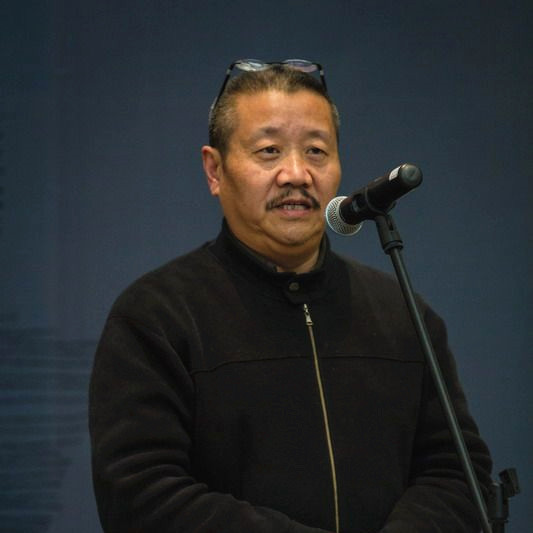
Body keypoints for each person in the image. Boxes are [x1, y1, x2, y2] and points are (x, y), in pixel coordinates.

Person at [89, 60, 492, 533]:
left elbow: (458, 476)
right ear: (214, 170)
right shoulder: (157, 316)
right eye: (269, 151)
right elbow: (141, 495)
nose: (296, 174)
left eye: (316, 151)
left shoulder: (402, 314)